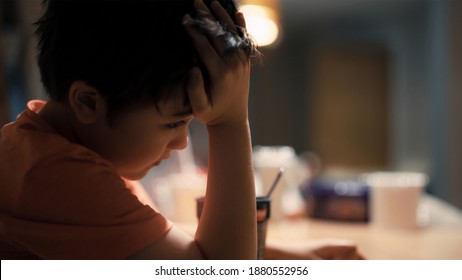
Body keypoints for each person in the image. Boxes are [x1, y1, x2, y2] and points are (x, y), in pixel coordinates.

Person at [0, 0, 363, 260]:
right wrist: (230, 122)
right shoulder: (56, 176)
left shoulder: (55, 150)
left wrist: (277, 256)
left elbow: (167, 247)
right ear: (89, 102)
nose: (180, 143)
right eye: (174, 122)